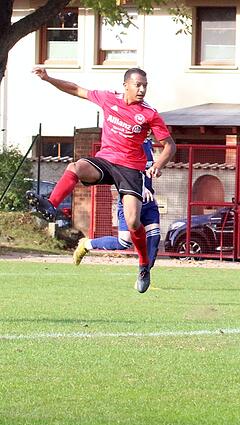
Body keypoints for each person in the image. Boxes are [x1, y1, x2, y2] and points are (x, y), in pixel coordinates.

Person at [27, 67, 176, 293]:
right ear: (126, 85)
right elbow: (76, 89)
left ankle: (144, 265)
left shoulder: (149, 114)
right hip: (106, 161)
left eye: (145, 85)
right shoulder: (108, 98)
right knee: (75, 167)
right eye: (138, 85)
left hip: (130, 170)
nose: (142, 89)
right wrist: (47, 78)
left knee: (134, 222)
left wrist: (157, 165)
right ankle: (51, 204)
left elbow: (169, 146)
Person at [73, 139, 161, 270]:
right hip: (129, 199)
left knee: (154, 240)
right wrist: (140, 187)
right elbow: (122, 173)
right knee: (124, 242)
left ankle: (144, 274)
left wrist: (154, 170)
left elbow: (144, 170)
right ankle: (87, 244)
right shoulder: (128, 143)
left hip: (148, 202)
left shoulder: (148, 143)